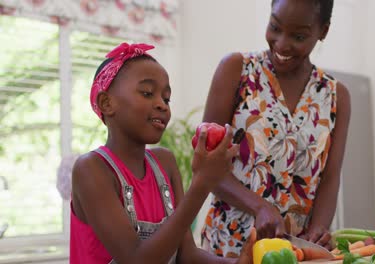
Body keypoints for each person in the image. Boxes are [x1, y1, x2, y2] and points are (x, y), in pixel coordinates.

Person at [70, 42, 256, 264]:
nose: (162, 105)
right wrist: (202, 183)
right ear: (107, 103)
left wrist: (238, 263)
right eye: (147, 93)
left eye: (166, 98)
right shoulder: (91, 170)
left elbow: (187, 255)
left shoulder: (164, 162)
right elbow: (136, 260)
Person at [201, 0, 351, 257]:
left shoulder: (336, 96)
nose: (282, 43)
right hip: (229, 249)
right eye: (275, 27)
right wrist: (259, 206)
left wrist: (318, 228)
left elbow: (329, 177)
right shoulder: (237, 70)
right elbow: (206, 164)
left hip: (293, 252)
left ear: (323, 31)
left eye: (299, 36)